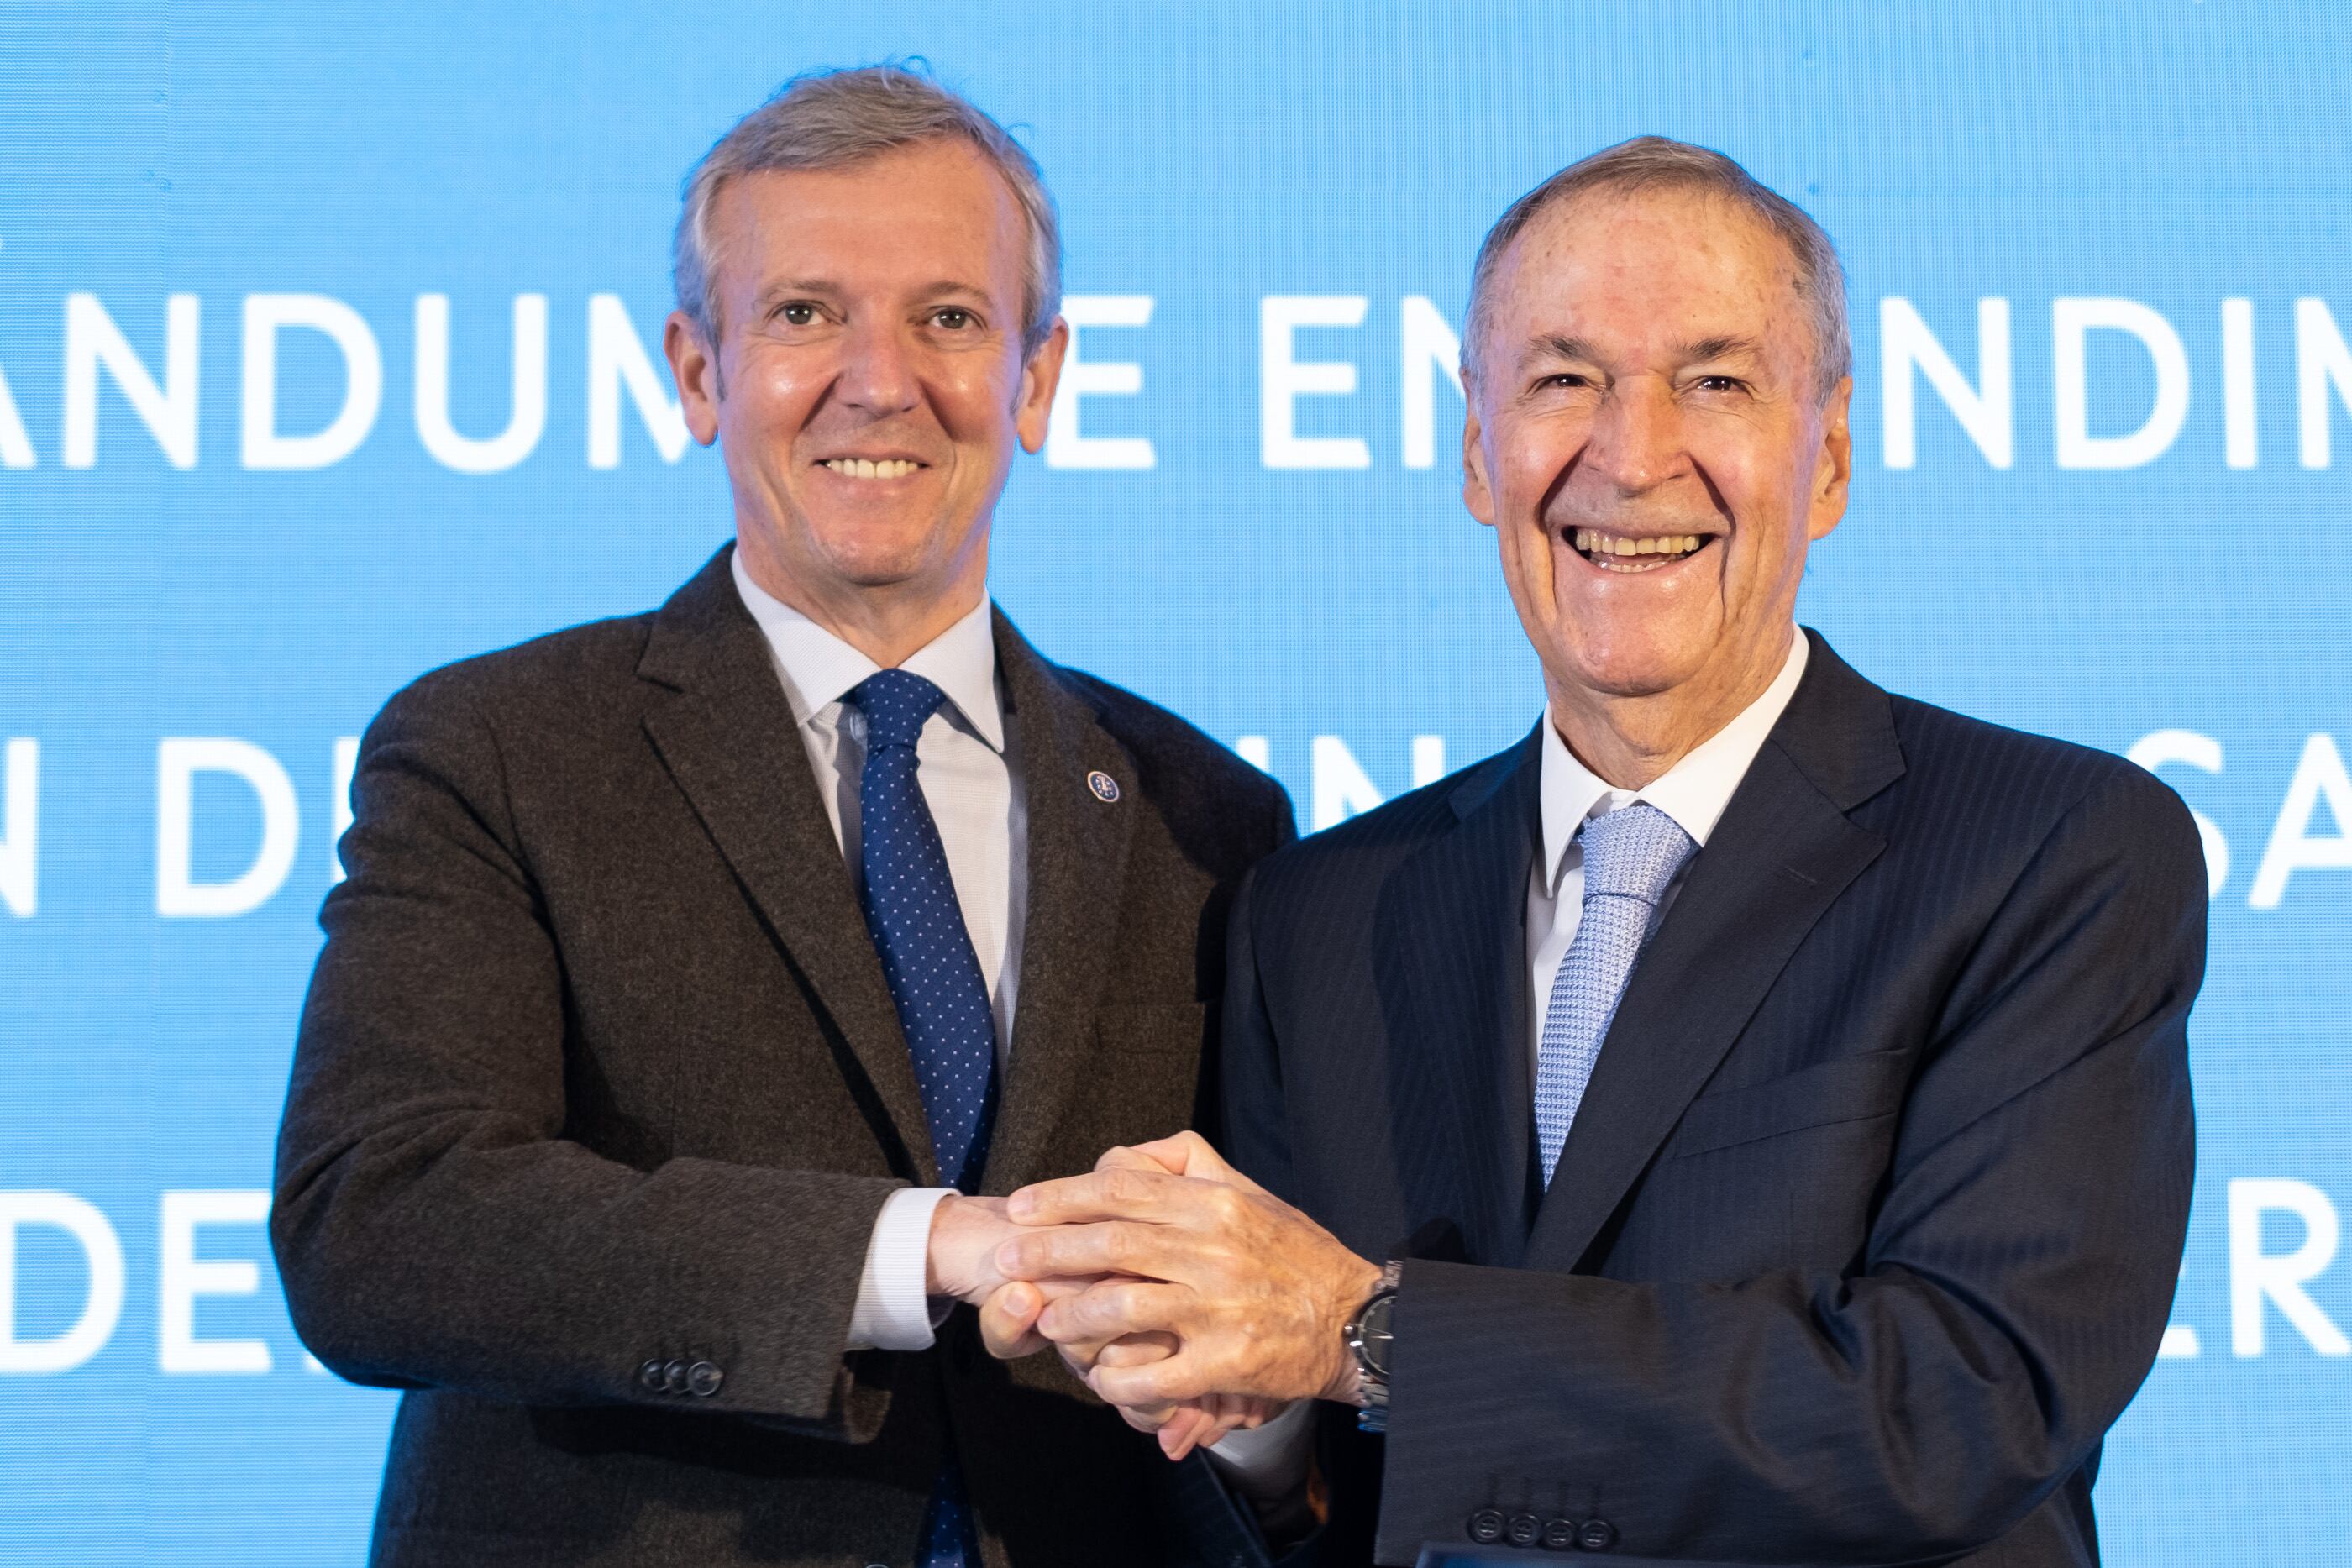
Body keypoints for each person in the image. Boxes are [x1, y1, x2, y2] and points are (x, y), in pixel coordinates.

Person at [984, 138, 2205, 1566]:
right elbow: (1312, 1519)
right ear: (1474, 448)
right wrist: (1248, 1414)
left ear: (1828, 455)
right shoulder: (1316, 916)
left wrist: (1364, 1334)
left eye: (1715, 380)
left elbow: (1951, 1411)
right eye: (1563, 379)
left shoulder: (2052, 852)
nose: (1630, 457)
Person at [270, 66, 1292, 1568]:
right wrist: (918, 1245)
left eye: (949, 317)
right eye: (806, 314)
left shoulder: (1202, 809)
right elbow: (381, 1222)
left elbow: (1257, 1346)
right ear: (698, 371)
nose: (879, 379)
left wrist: (1261, 1414)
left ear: (1038, 377)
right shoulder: (497, 749)